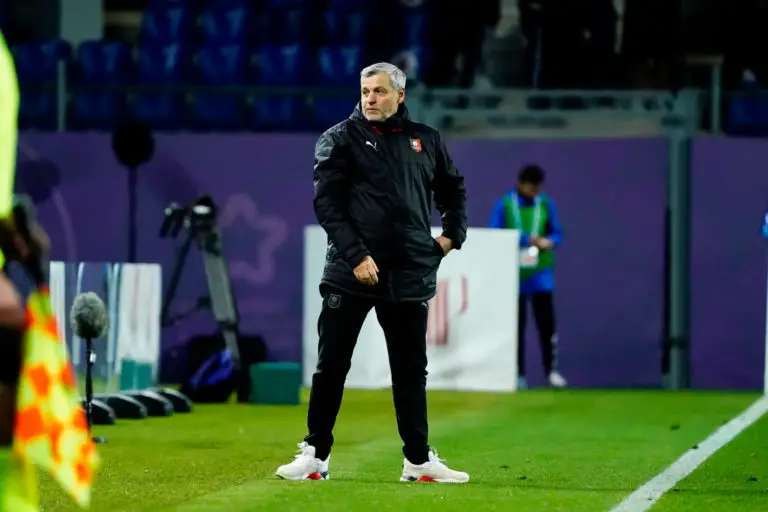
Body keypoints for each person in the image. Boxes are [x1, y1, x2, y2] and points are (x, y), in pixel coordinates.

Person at [276, 62, 469, 483]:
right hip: (351, 273)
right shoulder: (339, 139)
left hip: (408, 273)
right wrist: (356, 255)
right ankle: (315, 455)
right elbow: (327, 205)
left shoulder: (425, 139)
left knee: (410, 371)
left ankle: (418, 460)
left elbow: (452, 189)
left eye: (379, 91)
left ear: (400, 95)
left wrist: (452, 235)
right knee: (331, 365)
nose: (370, 99)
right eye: (365, 92)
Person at [488, 164, 567, 389]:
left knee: (547, 325)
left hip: (540, 274)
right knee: (516, 327)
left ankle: (551, 371)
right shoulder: (504, 205)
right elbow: (494, 234)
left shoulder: (546, 204)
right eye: (531, 187)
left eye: (537, 188)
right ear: (521, 184)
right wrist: (526, 239)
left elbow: (557, 233)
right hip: (513, 275)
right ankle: (518, 374)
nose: (534, 192)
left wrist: (550, 242)